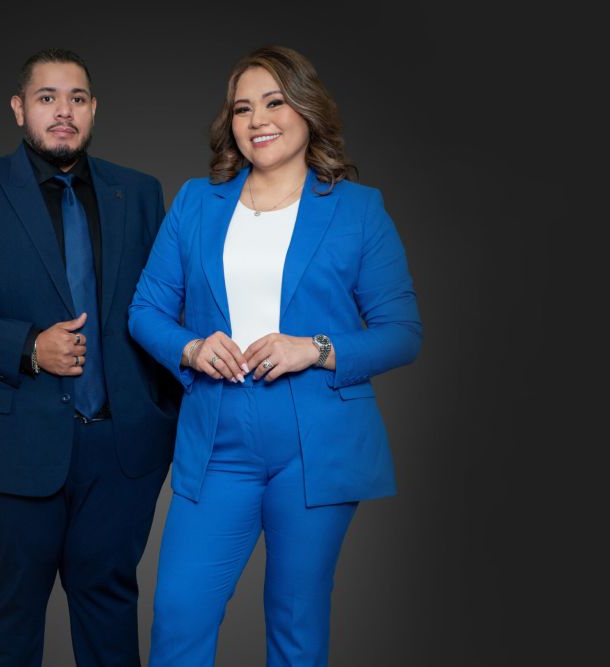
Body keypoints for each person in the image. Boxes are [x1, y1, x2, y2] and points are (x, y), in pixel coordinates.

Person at [129, 46, 422, 666]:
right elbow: (145, 312)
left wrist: (314, 348)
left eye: (274, 101)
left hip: (316, 444)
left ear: (307, 109)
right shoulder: (194, 202)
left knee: (296, 621)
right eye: (242, 108)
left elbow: (402, 331)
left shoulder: (358, 210)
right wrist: (190, 345)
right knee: (179, 611)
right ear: (230, 124)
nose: (258, 118)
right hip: (217, 440)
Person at [0, 48, 178, 667]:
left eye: (77, 99)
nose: (63, 111)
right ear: (19, 108)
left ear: (93, 110)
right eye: (47, 97)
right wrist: (29, 347)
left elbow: (172, 305)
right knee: (9, 621)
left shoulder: (137, 193)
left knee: (111, 618)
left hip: (120, 455)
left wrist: (161, 415)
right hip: (10, 452)